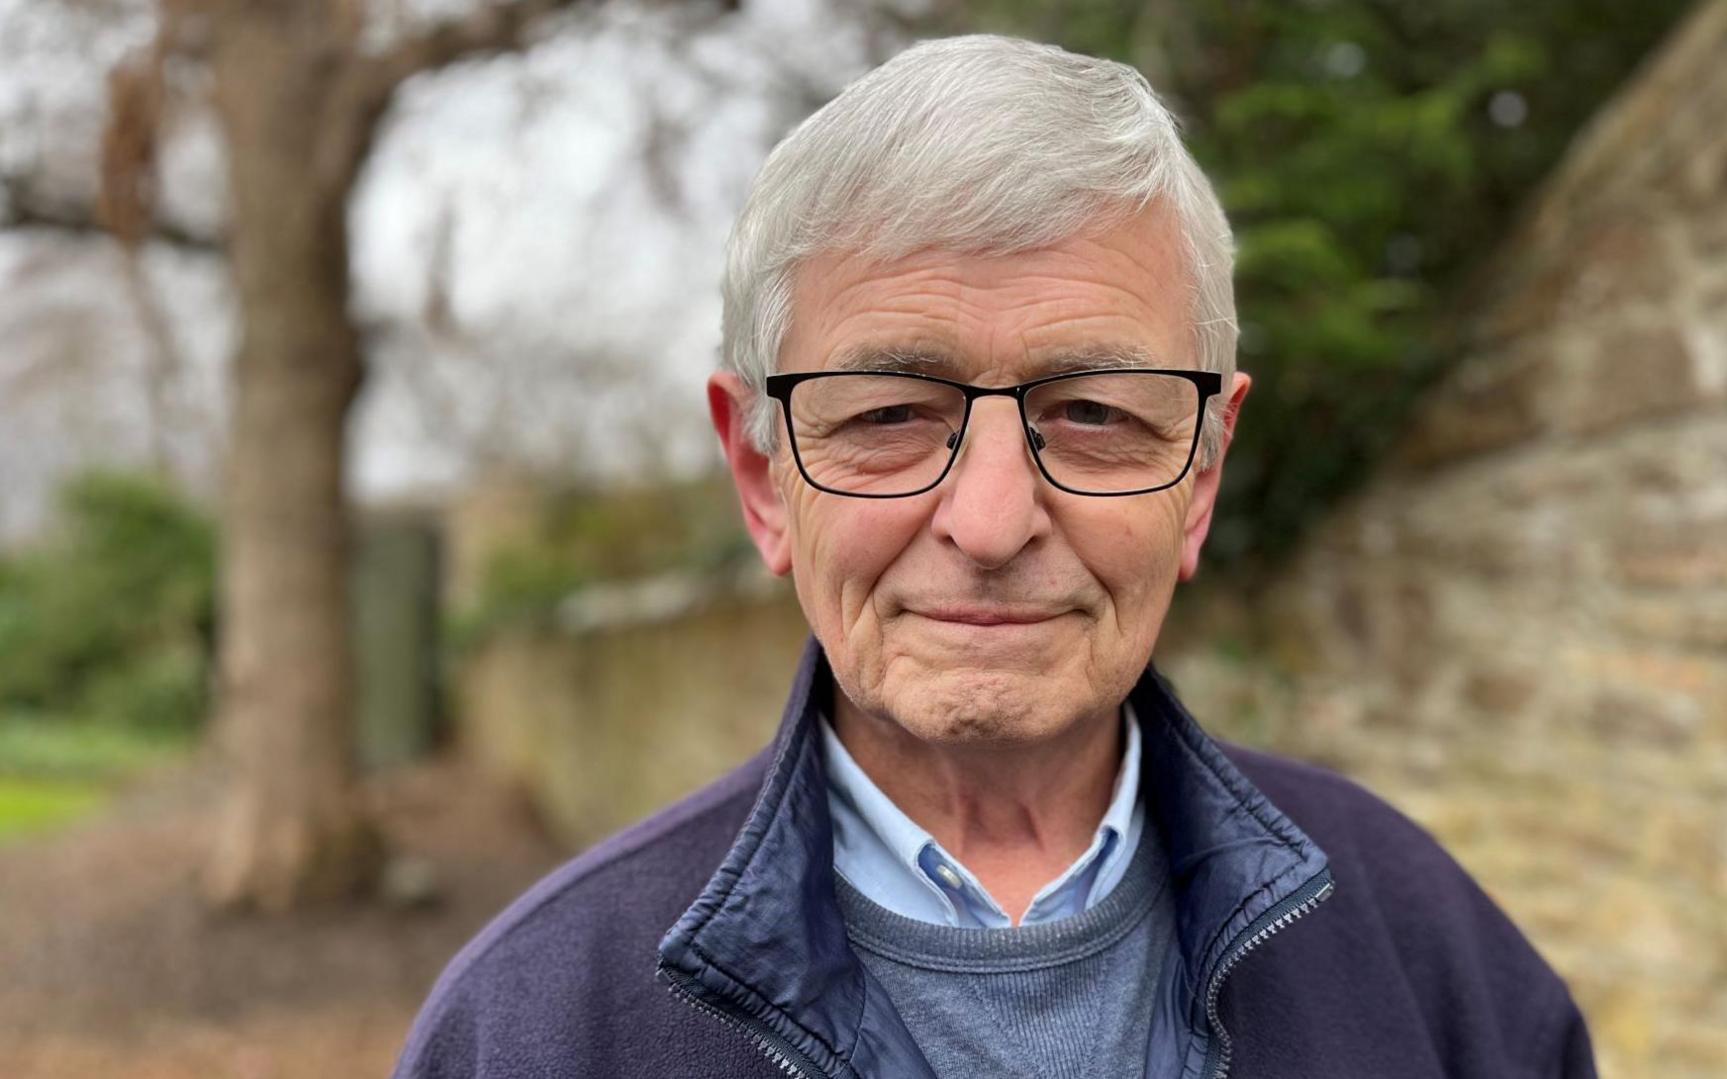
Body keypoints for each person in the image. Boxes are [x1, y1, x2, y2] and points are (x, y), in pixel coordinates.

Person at [391, 34, 1596, 1078]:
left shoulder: (1426, 950)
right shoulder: (537, 1029)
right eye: (888, 415)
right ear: (763, 477)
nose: (990, 519)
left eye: (1095, 413)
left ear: (1202, 477)